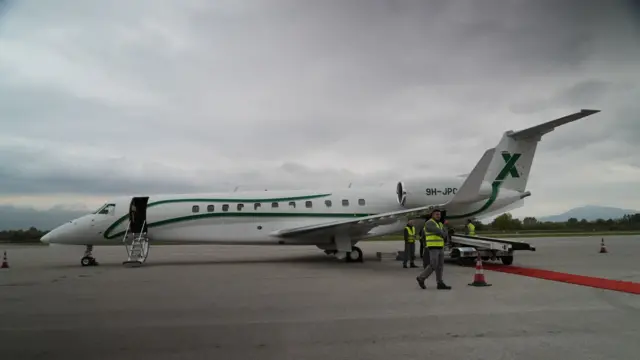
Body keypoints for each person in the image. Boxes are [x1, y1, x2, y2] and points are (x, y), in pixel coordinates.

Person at [416, 209, 452, 290]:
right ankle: (421, 277)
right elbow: (441, 233)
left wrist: (444, 231)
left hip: (440, 247)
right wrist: (445, 228)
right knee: (433, 264)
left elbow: (445, 235)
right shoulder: (429, 223)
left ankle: (440, 283)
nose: (438, 216)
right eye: (436, 214)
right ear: (432, 215)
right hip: (433, 247)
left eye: (439, 214)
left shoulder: (439, 223)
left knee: (440, 266)